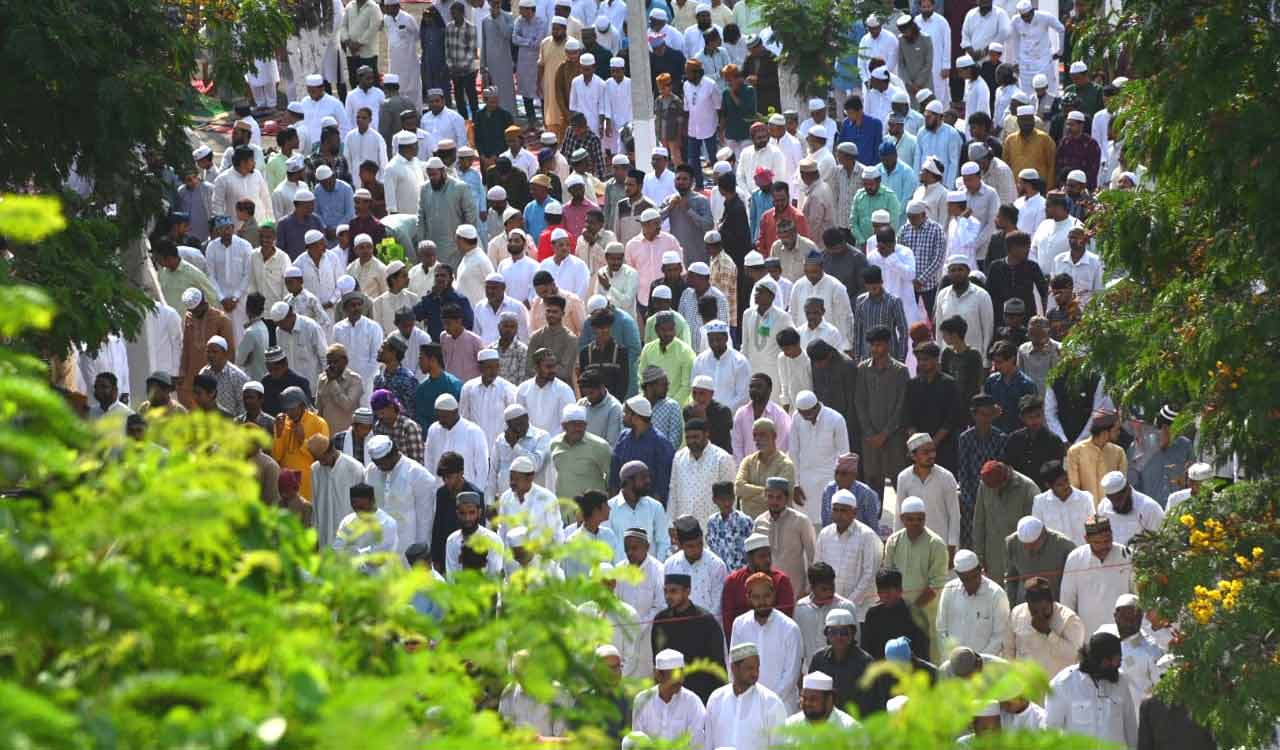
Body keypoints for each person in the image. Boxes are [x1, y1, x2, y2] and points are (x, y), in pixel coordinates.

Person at [881, 497, 949, 661]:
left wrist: (912, 610)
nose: (915, 523)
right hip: (897, 611)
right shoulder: (894, 541)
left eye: (920, 519)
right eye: (910, 519)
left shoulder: (936, 544)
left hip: (926, 614)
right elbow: (887, 577)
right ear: (902, 519)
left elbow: (936, 585)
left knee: (927, 658)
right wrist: (898, 608)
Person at [1045, 631, 1139, 747]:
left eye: (1119, 660)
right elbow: (1051, 730)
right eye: (1114, 661)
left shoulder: (1121, 682)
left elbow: (1130, 727)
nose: (1118, 666)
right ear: (1100, 660)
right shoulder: (1063, 684)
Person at [730, 573, 803, 712]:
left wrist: (768, 702)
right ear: (748, 598)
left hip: (782, 706)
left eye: (766, 596)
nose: (762, 602)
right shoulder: (739, 625)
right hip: (748, 704)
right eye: (756, 597)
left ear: (774, 595)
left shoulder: (789, 628)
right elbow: (734, 665)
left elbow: (791, 675)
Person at [651, 571, 728, 703]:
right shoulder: (661, 620)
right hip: (670, 694)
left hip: (702, 694)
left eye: (673, 591)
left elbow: (718, 664)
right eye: (666, 591)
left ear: (687, 591)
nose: (668, 596)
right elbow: (657, 660)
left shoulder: (706, 621)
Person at [854, 325, 908, 499]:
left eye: (878, 345)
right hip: (870, 439)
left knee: (900, 481)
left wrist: (885, 433)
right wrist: (870, 433)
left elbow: (901, 406)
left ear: (888, 345)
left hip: (894, 437)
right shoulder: (863, 369)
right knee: (873, 483)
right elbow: (860, 402)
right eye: (872, 345)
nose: (875, 349)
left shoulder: (900, 371)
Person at [704, 642, 788, 750]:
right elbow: (708, 744)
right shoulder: (716, 699)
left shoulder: (771, 703)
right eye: (750, 668)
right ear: (734, 668)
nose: (755, 673)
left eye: (757, 668)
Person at [1061, 515, 1136, 635]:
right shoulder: (1075, 558)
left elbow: (1137, 596)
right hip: (1087, 636)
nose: (1103, 547)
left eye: (1107, 541)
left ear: (1112, 535)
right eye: (1097, 542)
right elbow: (1067, 601)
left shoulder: (1127, 555)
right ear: (1086, 539)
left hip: (1123, 635)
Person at [365, 433, 438, 554]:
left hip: (407, 545)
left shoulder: (418, 474)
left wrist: (421, 551)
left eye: (382, 463)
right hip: (379, 545)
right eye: (376, 463)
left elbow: (425, 520)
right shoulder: (371, 470)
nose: (379, 467)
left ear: (393, 455)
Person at [936, 549, 1010, 656]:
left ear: (980, 570)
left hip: (985, 663)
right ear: (958, 575)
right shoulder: (949, 590)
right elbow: (941, 629)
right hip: (953, 661)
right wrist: (951, 656)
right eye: (965, 580)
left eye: (974, 577)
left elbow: (1000, 636)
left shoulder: (996, 594)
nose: (970, 584)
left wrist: (978, 660)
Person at [631, 650, 707, 744]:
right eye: (674, 675)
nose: (680, 679)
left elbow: (697, 743)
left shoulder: (693, 702)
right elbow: (637, 742)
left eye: (681, 674)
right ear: (658, 675)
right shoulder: (642, 700)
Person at [308, 433, 369, 549]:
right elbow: (315, 504)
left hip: (349, 535)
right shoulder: (316, 469)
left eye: (323, 459)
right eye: (318, 460)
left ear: (331, 450)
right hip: (324, 535)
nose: (322, 463)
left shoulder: (355, 468)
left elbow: (363, 508)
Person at [271, 386, 329, 500]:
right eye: (287, 409)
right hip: (287, 484)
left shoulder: (319, 423)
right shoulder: (282, 422)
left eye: (293, 409)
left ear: (303, 405)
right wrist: (278, 434)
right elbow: (276, 457)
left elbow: (323, 458)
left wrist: (303, 440)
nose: (289, 413)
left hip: (308, 483)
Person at [860, 567, 930, 661]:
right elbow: (866, 652)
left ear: (899, 591)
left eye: (888, 592)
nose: (884, 596)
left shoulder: (915, 615)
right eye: (881, 592)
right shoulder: (872, 615)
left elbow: (923, 654)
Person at [1066, 411, 1128, 506]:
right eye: (1116, 429)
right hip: (1087, 511)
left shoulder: (1118, 452)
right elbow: (1074, 488)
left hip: (1112, 510)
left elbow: (1122, 486)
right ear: (1104, 433)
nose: (1119, 432)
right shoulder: (1075, 452)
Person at [1096, 471, 1166, 547]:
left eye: (1119, 499)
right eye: (1112, 500)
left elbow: (1159, 541)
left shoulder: (1149, 508)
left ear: (1128, 490)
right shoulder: (1104, 506)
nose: (1117, 504)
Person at [445, 490, 504, 577]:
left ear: (479, 513)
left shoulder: (493, 540)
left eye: (471, 513)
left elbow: (495, 577)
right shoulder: (452, 540)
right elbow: (451, 576)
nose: (467, 518)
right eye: (463, 513)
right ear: (457, 514)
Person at [331, 482, 399, 556]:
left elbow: (377, 554)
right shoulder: (347, 521)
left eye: (361, 507)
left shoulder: (387, 523)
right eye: (354, 507)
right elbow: (338, 547)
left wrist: (352, 553)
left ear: (372, 501)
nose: (358, 511)